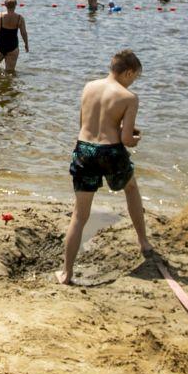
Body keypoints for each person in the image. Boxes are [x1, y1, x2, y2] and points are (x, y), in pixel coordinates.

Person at [59, 50, 151, 285]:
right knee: (131, 189)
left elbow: (83, 124)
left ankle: (66, 273)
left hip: (84, 149)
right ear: (128, 72)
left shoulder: (89, 86)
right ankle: (143, 242)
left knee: (79, 216)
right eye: (134, 77)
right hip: (110, 151)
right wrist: (135, 138)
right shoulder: (129, 97)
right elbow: (127, 139)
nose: (133, 82)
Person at [0, 0, 26, 72]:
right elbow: (23, 33)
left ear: (5, 5)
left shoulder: (0, 16)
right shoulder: (20, 18)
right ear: (15, 5)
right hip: (13, 47)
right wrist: (26, 45)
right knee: (10, 72)